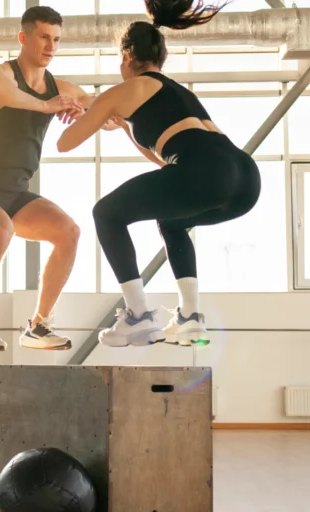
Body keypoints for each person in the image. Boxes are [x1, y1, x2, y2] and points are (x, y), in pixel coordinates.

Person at [55, 0, 259, 348]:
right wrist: (123, 128)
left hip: (204, 173)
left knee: (106, 213)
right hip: (244, 178)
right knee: (172, 221)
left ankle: (137, 315)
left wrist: (76, 107)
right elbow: (169, 162)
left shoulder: (125, 90)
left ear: (126, 58)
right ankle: (190, 317)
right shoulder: (177, 91)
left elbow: (65, 143)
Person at [0, 5, 95, 352]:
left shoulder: (57, 87)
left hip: (16, 193)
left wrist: (86, 110)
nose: (51, 46)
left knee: (69, 232)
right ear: (23, 37)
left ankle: (39, 326)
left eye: (57, 40)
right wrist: (47, 106)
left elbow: (94, 103)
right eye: (44, 37)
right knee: (1, 232)